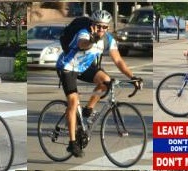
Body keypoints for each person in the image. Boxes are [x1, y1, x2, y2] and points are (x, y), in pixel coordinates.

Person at [55, 10, 141, 157]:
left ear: (108, 28)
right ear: (92, 25)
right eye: (98, 26)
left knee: (106, 81)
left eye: (104, 27)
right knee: (73, 101)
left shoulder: (108, 39)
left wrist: (133, 77)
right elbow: (82, 45)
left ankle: (87, 110)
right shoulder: (84, 33)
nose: (101, 29)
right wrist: (92, 40)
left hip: (84, 68)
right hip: (68, 67)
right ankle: (72, 143)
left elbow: (119, 61)